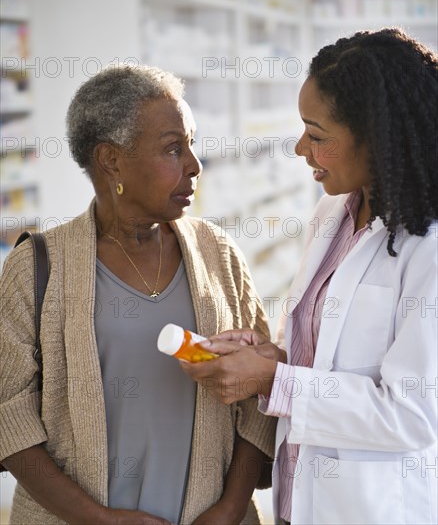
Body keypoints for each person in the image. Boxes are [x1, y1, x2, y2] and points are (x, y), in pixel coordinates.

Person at [181, 28, 438, 524]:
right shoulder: (332, 213)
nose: (300, 148)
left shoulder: (427, 247)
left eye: (317, 136)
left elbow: (413, 416)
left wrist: (273, 380)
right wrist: (269, 356)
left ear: (378, 139)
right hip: (300, 496)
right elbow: (325, 358)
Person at [0, 65, 277, 524]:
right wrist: (99, 519)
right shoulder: (36, 268)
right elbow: (9, 416)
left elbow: (259, 399)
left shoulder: (217, 254)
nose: (194, 165)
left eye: (191, 144)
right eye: (173, 149)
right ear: (110, 160)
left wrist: (228, 510)